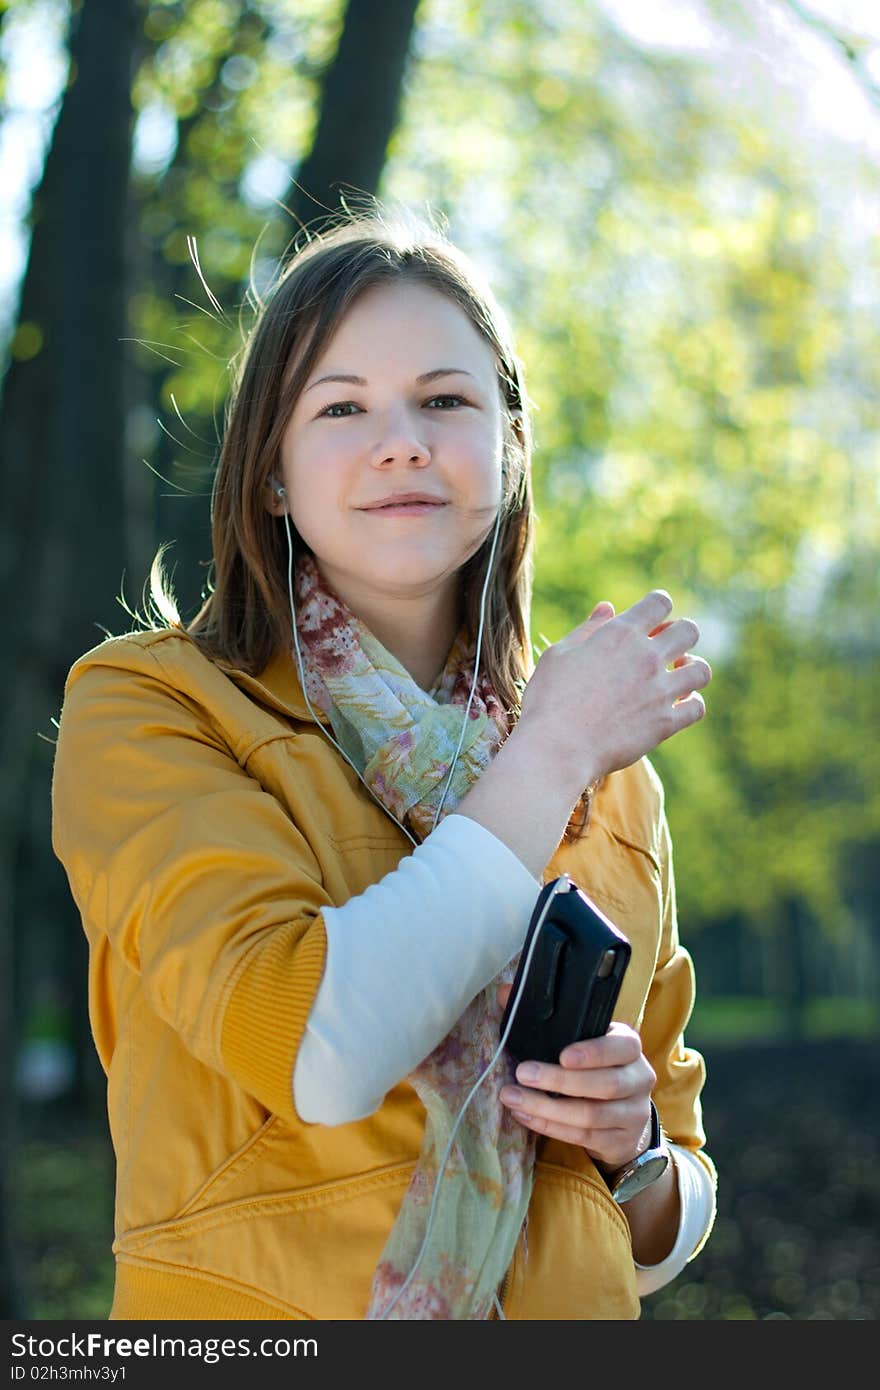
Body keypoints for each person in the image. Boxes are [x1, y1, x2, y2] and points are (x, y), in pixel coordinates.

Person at [51, 205, 717, 1321]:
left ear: (508, 449)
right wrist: (548, 748)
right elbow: (316, 1051)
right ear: (270, 474)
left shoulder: (615, 777)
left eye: (446, 401)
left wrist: (633, 1144)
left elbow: (671, 1193)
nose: (401, 440)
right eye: (343, 406)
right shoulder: (153, 703)